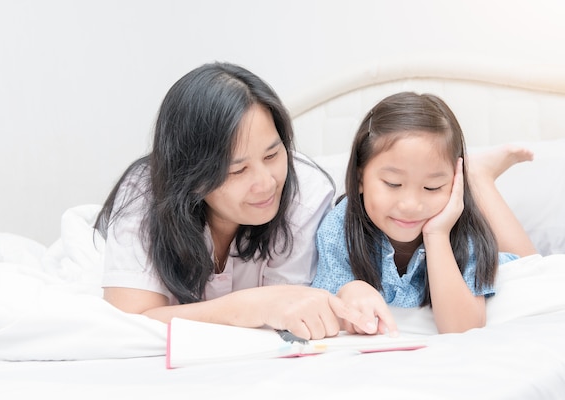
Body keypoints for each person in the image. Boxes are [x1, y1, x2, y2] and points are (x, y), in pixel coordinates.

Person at [94, 61, 397, 340]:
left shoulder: (305, 194)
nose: (266, 183)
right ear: (191, 173)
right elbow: (128, 325)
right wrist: (248, 307)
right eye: (238, 169)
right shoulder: (144, 193)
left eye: (273, 154)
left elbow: (289, 311)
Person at [311, 91, 537, 334]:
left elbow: (462, 328)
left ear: (453, 183)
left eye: (432, 187)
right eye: (393, 183)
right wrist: (350, 289)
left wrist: (437, 235)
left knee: (532, 268)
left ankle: (478, 177)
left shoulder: (463, 231)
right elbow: (325, 312)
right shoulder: (338, 229)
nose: (411, 205)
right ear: (359, 178)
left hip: (489, 256)